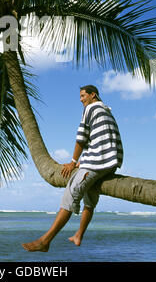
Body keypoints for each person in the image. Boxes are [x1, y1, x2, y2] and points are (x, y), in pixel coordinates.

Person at [22, 85, 123, 252]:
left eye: (83, 96)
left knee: (70, 193)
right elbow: (99, 139)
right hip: (111, 161)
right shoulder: (106, 110)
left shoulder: (91, 109)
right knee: (89, 199)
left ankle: (45, 241)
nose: (81, 99)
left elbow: (81, 138)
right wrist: (83, 160)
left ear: (93, 95)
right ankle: (79, 235)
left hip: (99, 161)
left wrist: (73, 161)